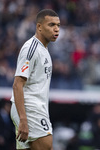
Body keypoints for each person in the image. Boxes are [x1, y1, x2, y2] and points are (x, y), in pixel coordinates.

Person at [10, 9, 60, 150]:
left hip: (34, 108)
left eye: (58, 25)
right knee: (46, 146)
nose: (56, 29)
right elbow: (17, 84)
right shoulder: (31, 49)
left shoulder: (44, 49)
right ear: (39, 27)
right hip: (29, 108)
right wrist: (23, 119)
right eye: (51, 25)